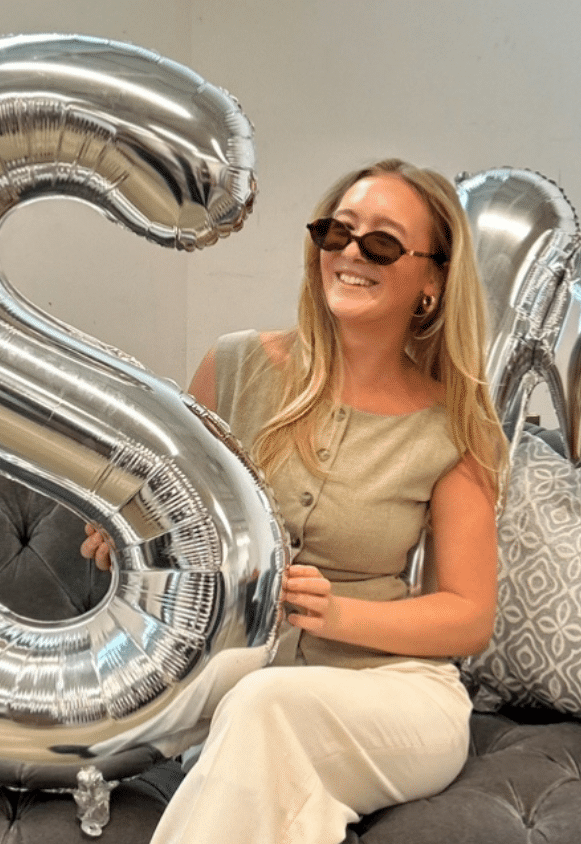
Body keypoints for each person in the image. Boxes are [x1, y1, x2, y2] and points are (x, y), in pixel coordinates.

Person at [82, 158, 507, 843]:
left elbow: (468, 617)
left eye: (382, 243)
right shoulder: (233, 367)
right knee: (260, 717)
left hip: (396, 699)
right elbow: (177, 519)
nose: (351, 252)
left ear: (432, 282)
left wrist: (340, 614)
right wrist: (130, 537)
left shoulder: (456, 426)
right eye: (337, 232)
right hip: (244, 686)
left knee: (262, 705)